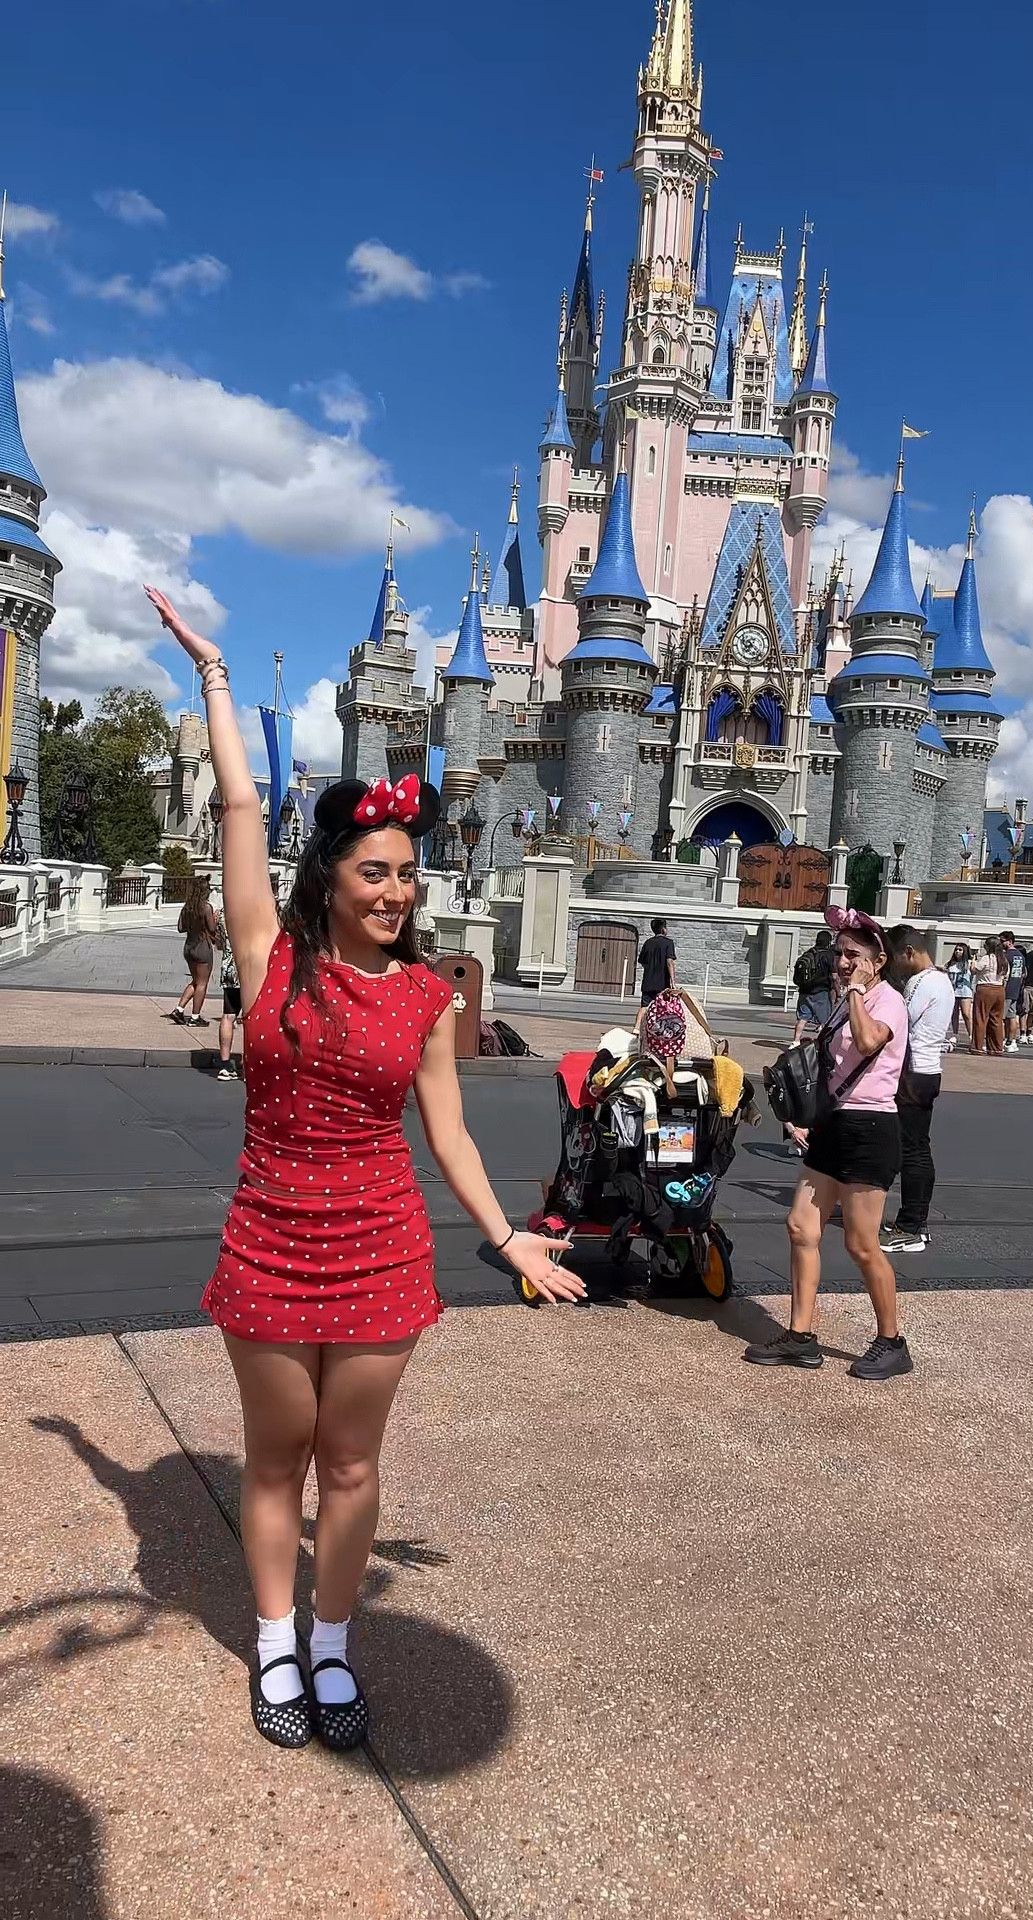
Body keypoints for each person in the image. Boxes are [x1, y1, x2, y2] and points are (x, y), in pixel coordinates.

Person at [145, 585, 584, 1753]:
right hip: (271, 1237)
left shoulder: (432, 997)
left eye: (408, 874)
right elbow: (240, 802)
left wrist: (507, 1237)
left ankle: (333, 1648)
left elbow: (447, 1132)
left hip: (382, 1246)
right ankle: (275, 1639)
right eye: (375, 872)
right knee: (275, 1458)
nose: (396, 893)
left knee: (351, 1464)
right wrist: (216, 677)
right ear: (331, 875)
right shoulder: (267, 957)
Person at [744, 905, 913, 1382]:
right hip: (834, 1126)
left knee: (862, 1244)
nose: (841, 962)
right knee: (801, 1226)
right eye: (839, 953)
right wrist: (801, 1114)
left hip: (870, 1130)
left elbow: (866, 1044)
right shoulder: (845, 999)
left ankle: (892, 1341)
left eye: (853, 954)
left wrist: (857, 990)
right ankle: (800, 1337)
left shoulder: (888, 1002)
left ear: (877, 961)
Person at [880, 926, 954, 1255]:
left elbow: (898, 1023)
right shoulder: (940, 980)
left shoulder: (921, 982)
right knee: (914, 1147)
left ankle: (910, 1225)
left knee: (912, 1150)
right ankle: (913, 1221)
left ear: (909, 952)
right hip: (926, 1071)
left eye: (896, 958)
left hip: (914, 1073)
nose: (895, 966)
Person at [168, 875, 218, 1027]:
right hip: (202, 947)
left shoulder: (187, 907)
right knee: (202, 983)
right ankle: (195, 1017)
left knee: (196, 981)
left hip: (189, 946)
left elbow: (180, 928)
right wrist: (214, 918)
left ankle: (179, 1009)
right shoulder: (206, 907)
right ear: (203, 891)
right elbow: (212, 929)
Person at [792, 929, 835, 1044]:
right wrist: (837, 990)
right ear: (828, 942)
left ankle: (795, 1041)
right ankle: (824, 1044)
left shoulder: (808, 953)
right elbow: (834, 976)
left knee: (803, 1018)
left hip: (804, 992)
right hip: (821, 992)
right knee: (826, 1021)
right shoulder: (828, 955)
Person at [215, 909, 242, 1083]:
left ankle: (224, 1065)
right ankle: (251, 1065)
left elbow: (218, 943)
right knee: (252, 1018)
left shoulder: (222, 913)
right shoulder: (252, 909)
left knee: (228, 1015)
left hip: (228, 966)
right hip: (246, 967)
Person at [969, 937, 1007, 1055]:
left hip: (985, 988)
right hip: (999, 989)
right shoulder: (1003, 960)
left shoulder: (986, 958)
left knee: (980, 1018)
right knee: (996, 1020)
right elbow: (1006, 977)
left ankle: (977, 1047)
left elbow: (974, 970)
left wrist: (973, 959)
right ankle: (996, 1047)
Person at [635, 918, 676, 1022]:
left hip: (648, 982)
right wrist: (673, 981)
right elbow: (669, 962)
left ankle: (636, 1029)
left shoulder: (648, 942)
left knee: (644, 1007)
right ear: (663, 929)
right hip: (662, 983)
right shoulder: (668, 943)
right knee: (663, 1008)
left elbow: (642, 961)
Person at [1000, 931, 1027, 1055]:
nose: (1001, 944)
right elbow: (1023, 973)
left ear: (1009, 941)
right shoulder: (1020, 956)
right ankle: (1011, 1040)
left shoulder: (1006, 955)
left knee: (1000, 1017)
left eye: (1002, 941)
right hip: (1016, 988)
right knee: (1012, 1017)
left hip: (1006, 989)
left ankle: (999, 1041)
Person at [945, 942, 974, 1050]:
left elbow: (975, 972)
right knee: (954, 1014)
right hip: (953, 991)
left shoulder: (969, 963)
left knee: (966, 1014)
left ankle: (971, 1035)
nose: (957, 952)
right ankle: (954, 1034)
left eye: (960, 950)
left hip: (965, 992)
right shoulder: (950, 964)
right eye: (956, 949)